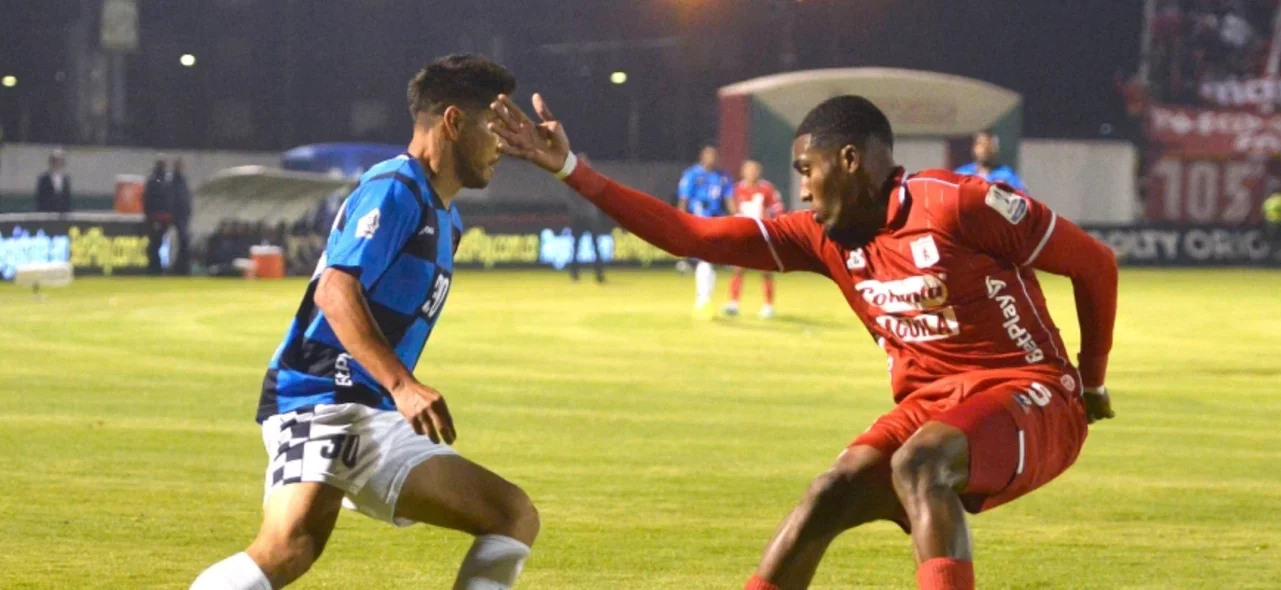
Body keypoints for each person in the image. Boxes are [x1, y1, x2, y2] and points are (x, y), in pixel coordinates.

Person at [490, 93, 1117, 590]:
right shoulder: (821, 237)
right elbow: (693, 236)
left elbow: (1095, 264)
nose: (803, 190)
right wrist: (572, 171)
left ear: (849, 160)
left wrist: (1089, 380)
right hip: (933, 407)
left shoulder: (959, 205)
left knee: (920, 463)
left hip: (1031, 394)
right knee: (828, 492)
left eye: (806, 171)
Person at [192, 55, 539, 590]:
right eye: (492, 129)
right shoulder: (395, 186)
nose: (501, 146)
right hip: (322, 399)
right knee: (286, 548)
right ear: (452, 122)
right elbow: (335, 288)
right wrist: (403, 384)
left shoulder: (447, 218)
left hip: (367, 409)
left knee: (510, 514)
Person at [677, 146, 734, 318]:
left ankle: (704, 299)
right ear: (702, 157)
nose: (712, 158)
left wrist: (737, 217)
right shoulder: (692, 174)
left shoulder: (723, 177)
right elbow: (684, 199)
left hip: (716, 222)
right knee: (705, 259)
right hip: (698, 222)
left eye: (715, 155)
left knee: (708, 261)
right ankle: (703, 300)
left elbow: (730, 200)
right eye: (708, 155)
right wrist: (682, 222)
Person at [724, 160, 785, 319]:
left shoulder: (767, 188)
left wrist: (776, 227)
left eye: (754, 170)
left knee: (765, 269)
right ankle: (733, 303)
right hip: (744, 234)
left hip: (762, 234)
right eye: (748, 170)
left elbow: (778, 209)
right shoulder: (737, 189)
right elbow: (732, 207)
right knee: (738, 268)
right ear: (743, 172)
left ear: (759, 171)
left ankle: (768, 305)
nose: (751, 173)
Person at [564, 152, 606, 283]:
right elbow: (570, 199)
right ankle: (575, 274)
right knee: (576, 247)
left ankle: (599, 275)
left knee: (595, 247)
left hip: (590, 216)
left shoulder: (591, 177)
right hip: (579, 216)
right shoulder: (573, 179)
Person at [954, 131, 1026, 191]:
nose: (984, 149)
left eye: (988, 145)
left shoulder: (1006, 174)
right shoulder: (962, 173)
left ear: (995, 149)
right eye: (980, 144)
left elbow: (1023, 198)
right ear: (973, 148)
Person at [143, 159, 172, 275]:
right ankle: (156, 267)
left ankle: (155, 266)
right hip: (159, 217)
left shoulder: (156, 180)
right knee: (157, 243)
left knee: (156, 243)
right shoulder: (163, 181)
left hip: (158, 217)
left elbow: (147, 199)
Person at [170, 157, 193, 276]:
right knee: (179, 244)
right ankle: (177, 269)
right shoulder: (173, 181)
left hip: (183, 217)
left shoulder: (182, 181)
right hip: (176, 218)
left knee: (183, 243)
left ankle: (181, 268)